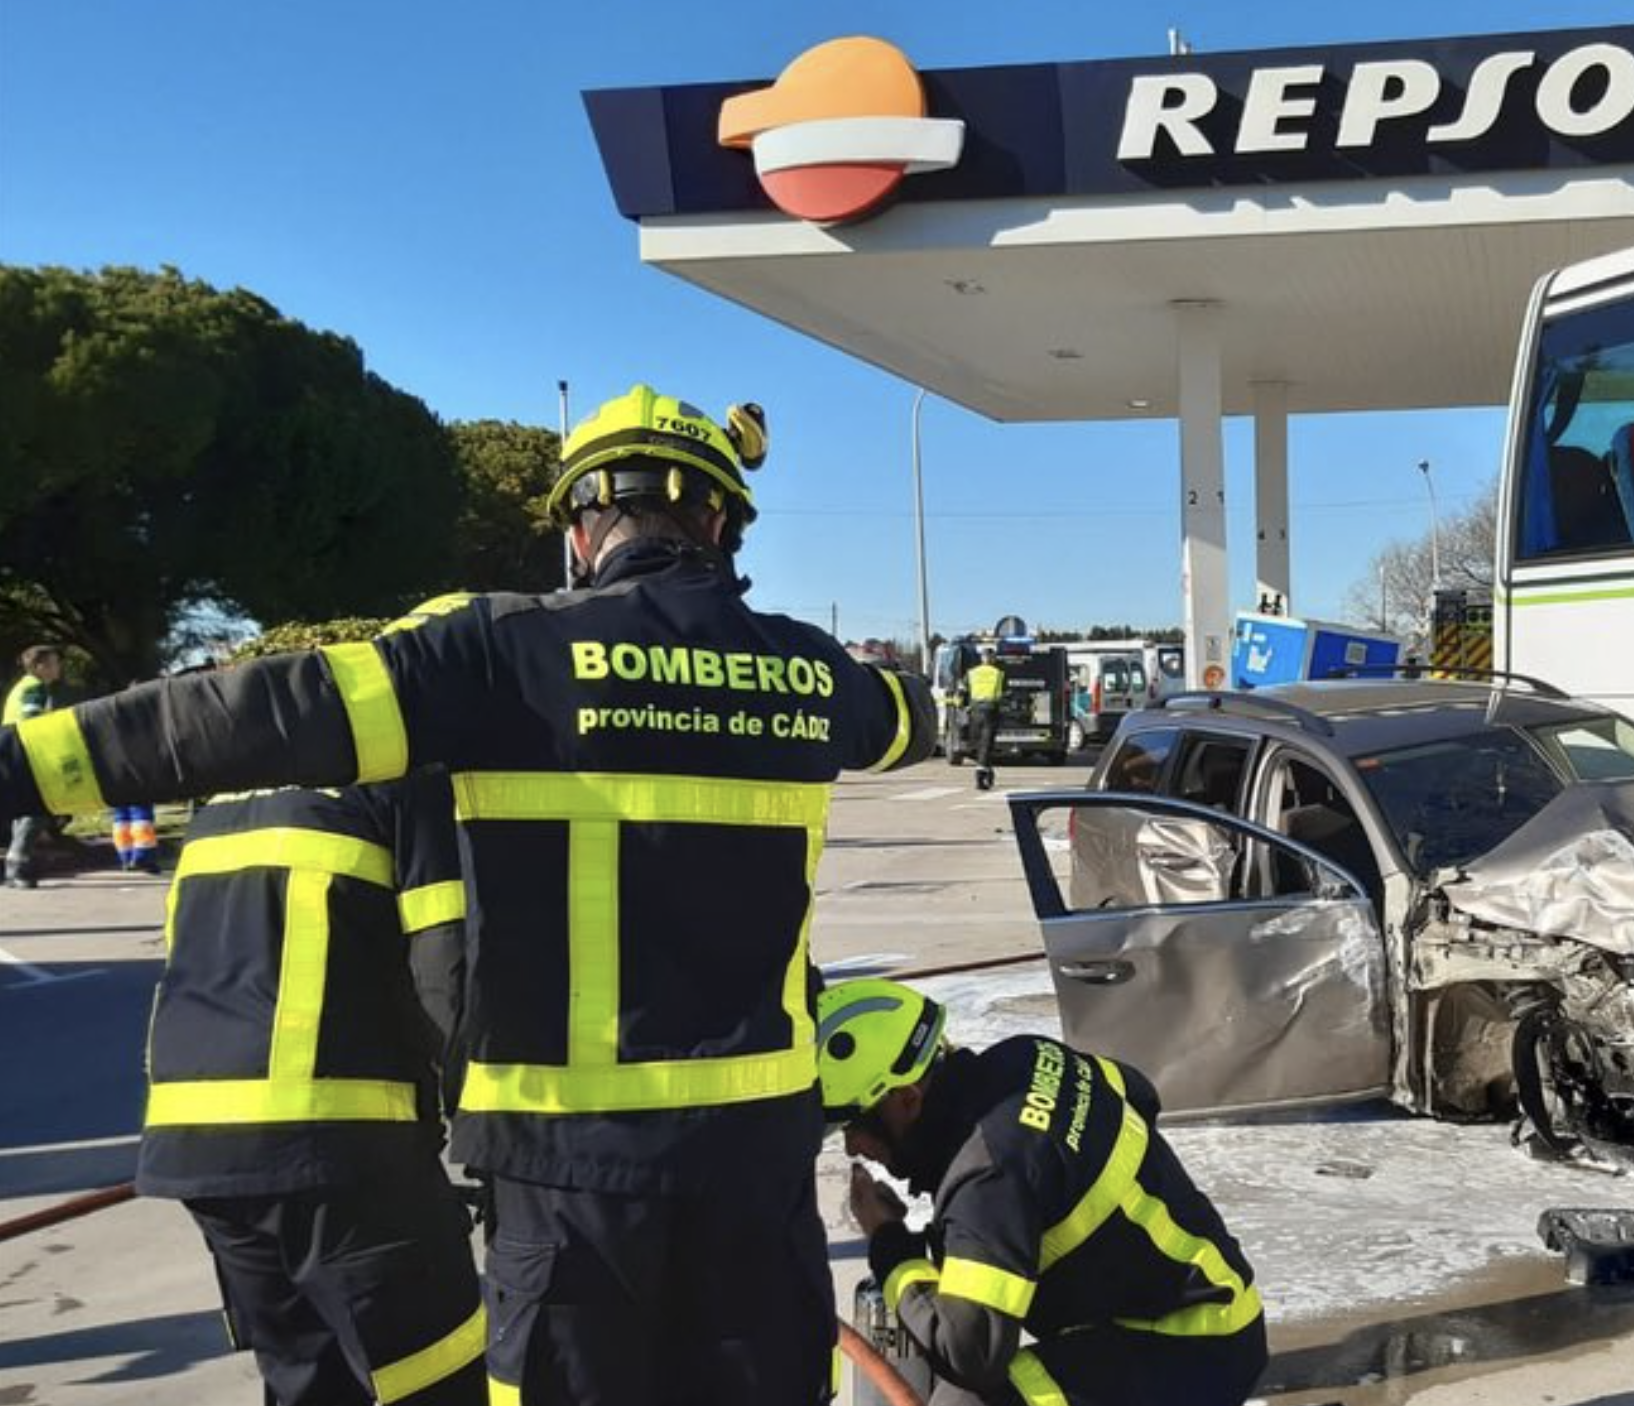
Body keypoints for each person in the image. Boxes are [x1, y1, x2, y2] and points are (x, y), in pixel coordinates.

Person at [0, 384, 938, 1405]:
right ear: (719, 520)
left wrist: (21, 765)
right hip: (756, 1166)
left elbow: (248, 714)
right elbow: (908, 718)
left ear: (581, 529)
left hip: (568, 1181)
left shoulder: (502, 653)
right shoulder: (807, 671)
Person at [143, 771, 482, 1406]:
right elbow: (446, 972)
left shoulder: (221, 801)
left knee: (307, 1377)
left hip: (200, 1147)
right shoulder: (401, 785)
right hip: (338, 1146)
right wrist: (485, 1126)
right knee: (436, 1373)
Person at [819, 979, 1267, 1406]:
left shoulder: (987, 1172)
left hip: (1189, 1350)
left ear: (907, 1099)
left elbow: (972, 1351)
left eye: (854, 1124)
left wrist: (889, 1241)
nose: (852, 1146)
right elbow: (1137, 1092)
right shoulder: (1026, 1058)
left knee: (967, 1400)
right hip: (1218, 1309)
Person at [4, 644, 64, 888]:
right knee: (37, 807)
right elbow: (33, 721)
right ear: (40, 667)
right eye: (54, 663)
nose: (58, 667)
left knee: (24, 808)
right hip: (27, 752)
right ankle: (18, 865)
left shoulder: (21, 685)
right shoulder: (35, 687)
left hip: (11, 750)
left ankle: (14, 865)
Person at [964, 649, 1005, 790]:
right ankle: (982, 775)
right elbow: (1004, 692)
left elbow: (963, 689)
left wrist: (964, 705)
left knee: (977, 744)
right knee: (987, 745)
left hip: (975, 711)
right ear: (993, 658)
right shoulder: (998, 674)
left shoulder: (971, 673)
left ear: (982, 658)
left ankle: (985, 772)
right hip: (991, 711)